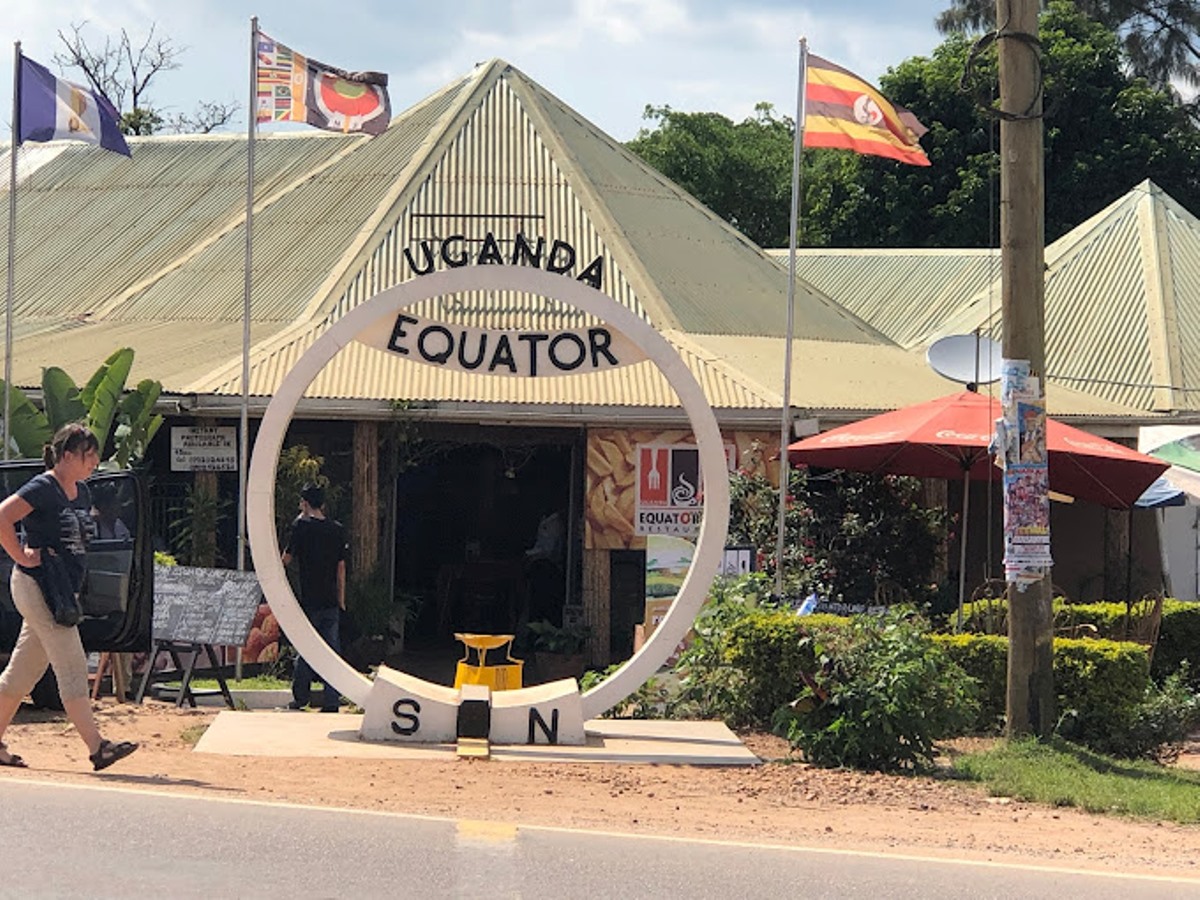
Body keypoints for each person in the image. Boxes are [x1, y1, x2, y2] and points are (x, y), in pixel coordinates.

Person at [0, 423, 138, 770]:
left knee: (21, 675)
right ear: (67, 456)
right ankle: (97, 747)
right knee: (73, 664)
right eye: (87, 455)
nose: (94, 461)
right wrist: (19, 554)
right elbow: (3, 515)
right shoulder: (44, 486)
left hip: (61, 591)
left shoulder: (83, 491)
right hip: (38, 586)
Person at [282, 483, 347, 712]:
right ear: (324, 504)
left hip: (308, 598)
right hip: (330, 599)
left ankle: (301, 698)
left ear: (305, 503)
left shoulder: (301, 526)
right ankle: (332, 700)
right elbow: (341, 568)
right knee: (332, 651)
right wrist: (341, 598)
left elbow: (287, 558)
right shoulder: (336, 529)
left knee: (305, 648)